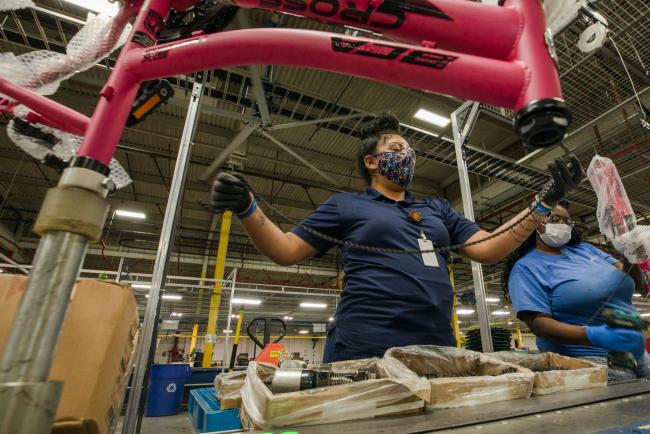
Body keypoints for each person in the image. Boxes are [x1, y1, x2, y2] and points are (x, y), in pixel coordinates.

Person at [211, 112, 583, 362]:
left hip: (435, 344)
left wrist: (541, 203)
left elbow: (489, 248)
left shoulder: (437, 208)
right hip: (364, 345)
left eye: (409, 151)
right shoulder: (346, 206)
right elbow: (286, 251)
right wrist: (248, 208)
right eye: (395, 149)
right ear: (372, 162)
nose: (406, 156)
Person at [503, 200, 650, 382]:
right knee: (631, 405)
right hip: (588, 358)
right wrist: (594, 335)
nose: (562, 225)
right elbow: (539, 325)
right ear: (535, 222)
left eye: (567, 221)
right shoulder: (526, 268)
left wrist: (630, 252)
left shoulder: (585, 250)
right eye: (555, 219)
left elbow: (634, 282)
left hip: (633, 350)